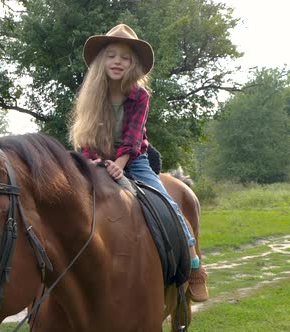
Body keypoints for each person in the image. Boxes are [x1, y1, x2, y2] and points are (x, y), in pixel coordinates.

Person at [69, 23, 209, 302]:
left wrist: (119, 163)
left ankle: (193, 263)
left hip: (133, 159)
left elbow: (133, 137)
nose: (117, 62)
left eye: (125, 57)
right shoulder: (91, 95)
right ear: (101, 60)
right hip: (96, 159)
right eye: (111, 55)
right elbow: (85, 136)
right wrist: (94, 162)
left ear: (133, 64)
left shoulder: (139, 95)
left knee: (166, 202)